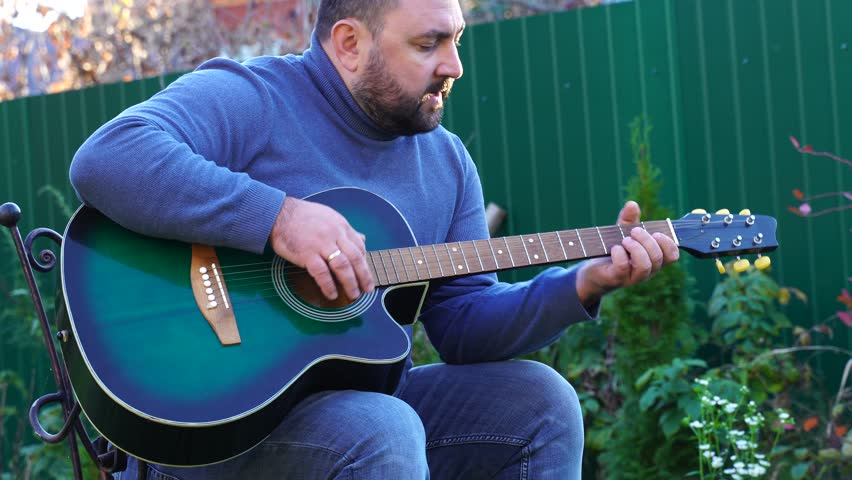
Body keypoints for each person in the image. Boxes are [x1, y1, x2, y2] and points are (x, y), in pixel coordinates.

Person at [70, 0, 679, 478]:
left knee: (541, 400)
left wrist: (580, 283)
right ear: (350, 44)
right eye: (428, 43)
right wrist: (279, 218)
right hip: (211, 422)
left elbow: (464, 323)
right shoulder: (253, 98)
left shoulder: (445, 162)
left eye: (456, 40)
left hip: (366, 413)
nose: (455, 65)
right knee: (383, 427)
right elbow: (107, 158)